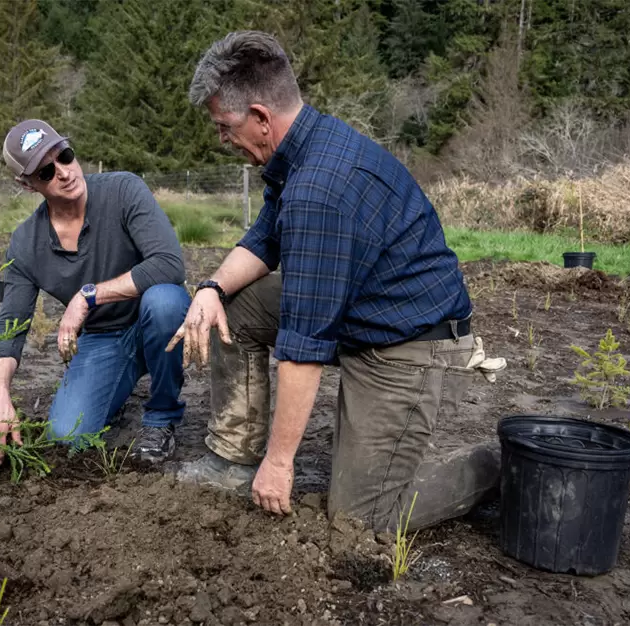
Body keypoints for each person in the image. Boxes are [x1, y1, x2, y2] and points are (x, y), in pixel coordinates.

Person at [168, 32, 506, 532]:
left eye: (225, 127)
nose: (222, 139)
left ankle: (491, 466)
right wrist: (210, 289)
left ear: (261, 117)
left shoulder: (319, 191)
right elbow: (264, 239)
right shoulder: (302, 148)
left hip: (408, 341)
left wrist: (281, 465)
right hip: (361, 304)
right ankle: (232, 459)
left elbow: (304, 345)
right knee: (233, 308)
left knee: (362, 519)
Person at [0, 119, 190, 462]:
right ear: (28, 184)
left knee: (165, 301)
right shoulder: (25, 243)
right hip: (103, 338)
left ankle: (161, 417)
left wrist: (87, 296)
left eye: (65, 155)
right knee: (66, 437)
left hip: (153, 319)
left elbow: (170, 265)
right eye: (46, 171)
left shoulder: (123, 189)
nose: (64, 172)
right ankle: (113, 389)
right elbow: (11, 324)